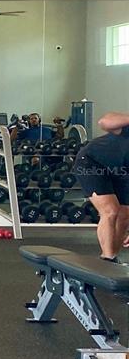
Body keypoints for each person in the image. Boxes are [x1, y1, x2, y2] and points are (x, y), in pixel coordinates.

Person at [72, 111, 129, 262]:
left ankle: (112, 258)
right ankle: (107, 258)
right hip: (91, 162)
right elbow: (104, 122)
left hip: (121, 171)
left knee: (124, 216)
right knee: (110, 211)